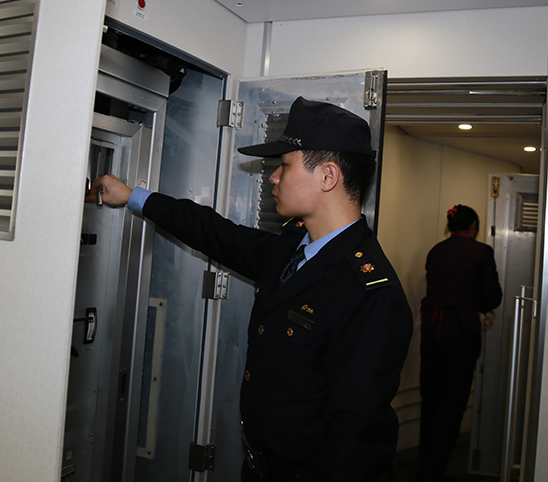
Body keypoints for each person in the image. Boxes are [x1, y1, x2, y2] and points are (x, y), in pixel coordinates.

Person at [88, 97, 413, 481]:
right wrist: (132, 197)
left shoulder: (369, 293)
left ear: (328, 177)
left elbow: (357, 443)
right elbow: (215, 232)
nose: (273, 177)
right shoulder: (292, 248)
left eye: (285, 165)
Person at [417, 205, 502, 482]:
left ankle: (422, 468)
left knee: (430, 398)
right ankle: (434, 472)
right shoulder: (481, 252)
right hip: (460, 333)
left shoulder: (436, 251)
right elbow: (492, 299)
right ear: (474, 226)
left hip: (432, 330)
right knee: (452, 404)